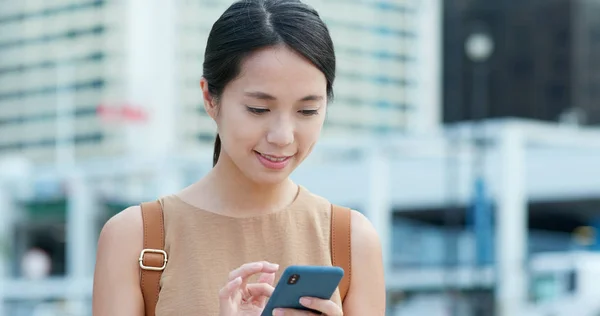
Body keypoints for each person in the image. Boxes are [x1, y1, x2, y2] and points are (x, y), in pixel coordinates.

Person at [91, 0, 385, 315]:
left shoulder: (352, 241)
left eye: (307, 110)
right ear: (209, 97)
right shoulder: (134, 238)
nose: (282, 135)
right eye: (259, 109)